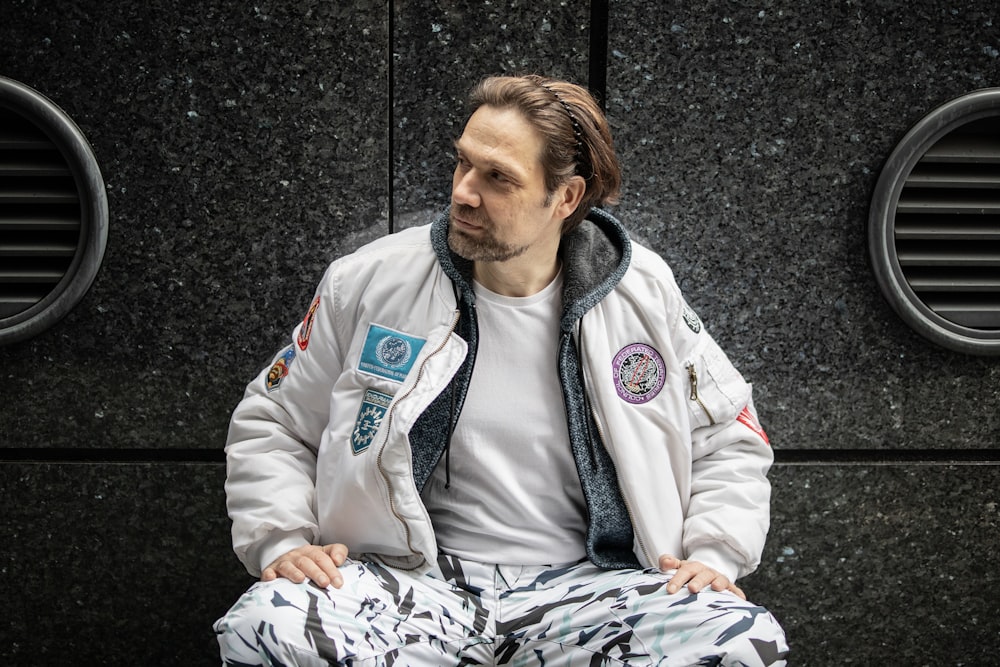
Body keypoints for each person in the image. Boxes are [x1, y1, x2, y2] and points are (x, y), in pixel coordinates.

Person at [215, 74, 788, 666]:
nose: (464, 191)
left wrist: (713, 556)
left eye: (498, 178)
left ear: (565, 198)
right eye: (463, 164)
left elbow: (730, 435)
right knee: (269, 623)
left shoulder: (641, 291)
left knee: (740, 641)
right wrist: (282, 540)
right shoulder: (369, 280)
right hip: (409, 586)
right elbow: (275, 419)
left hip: (587, 590)